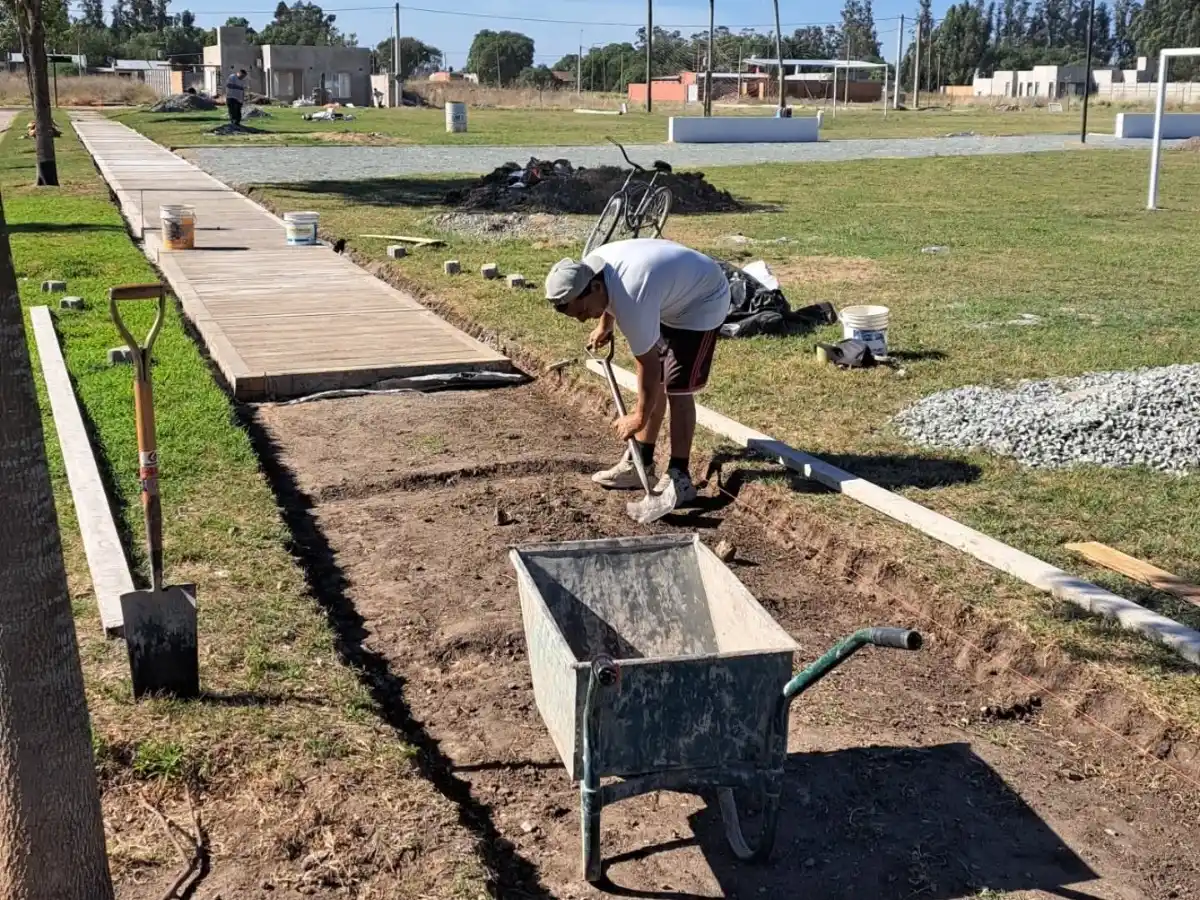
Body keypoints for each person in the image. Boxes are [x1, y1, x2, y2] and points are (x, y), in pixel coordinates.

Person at [544, 238, 731, 507]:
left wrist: (639, 416)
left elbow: (649, 363)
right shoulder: (593, 270)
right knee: (656, 382)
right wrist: (605, 324)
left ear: (594, 288)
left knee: (676, 387)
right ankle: (640, 462)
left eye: (583, 311)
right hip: (668, 295)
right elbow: (610, 296)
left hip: (701, 299)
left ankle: (680, 476)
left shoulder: (632, 296)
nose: (583, 319)